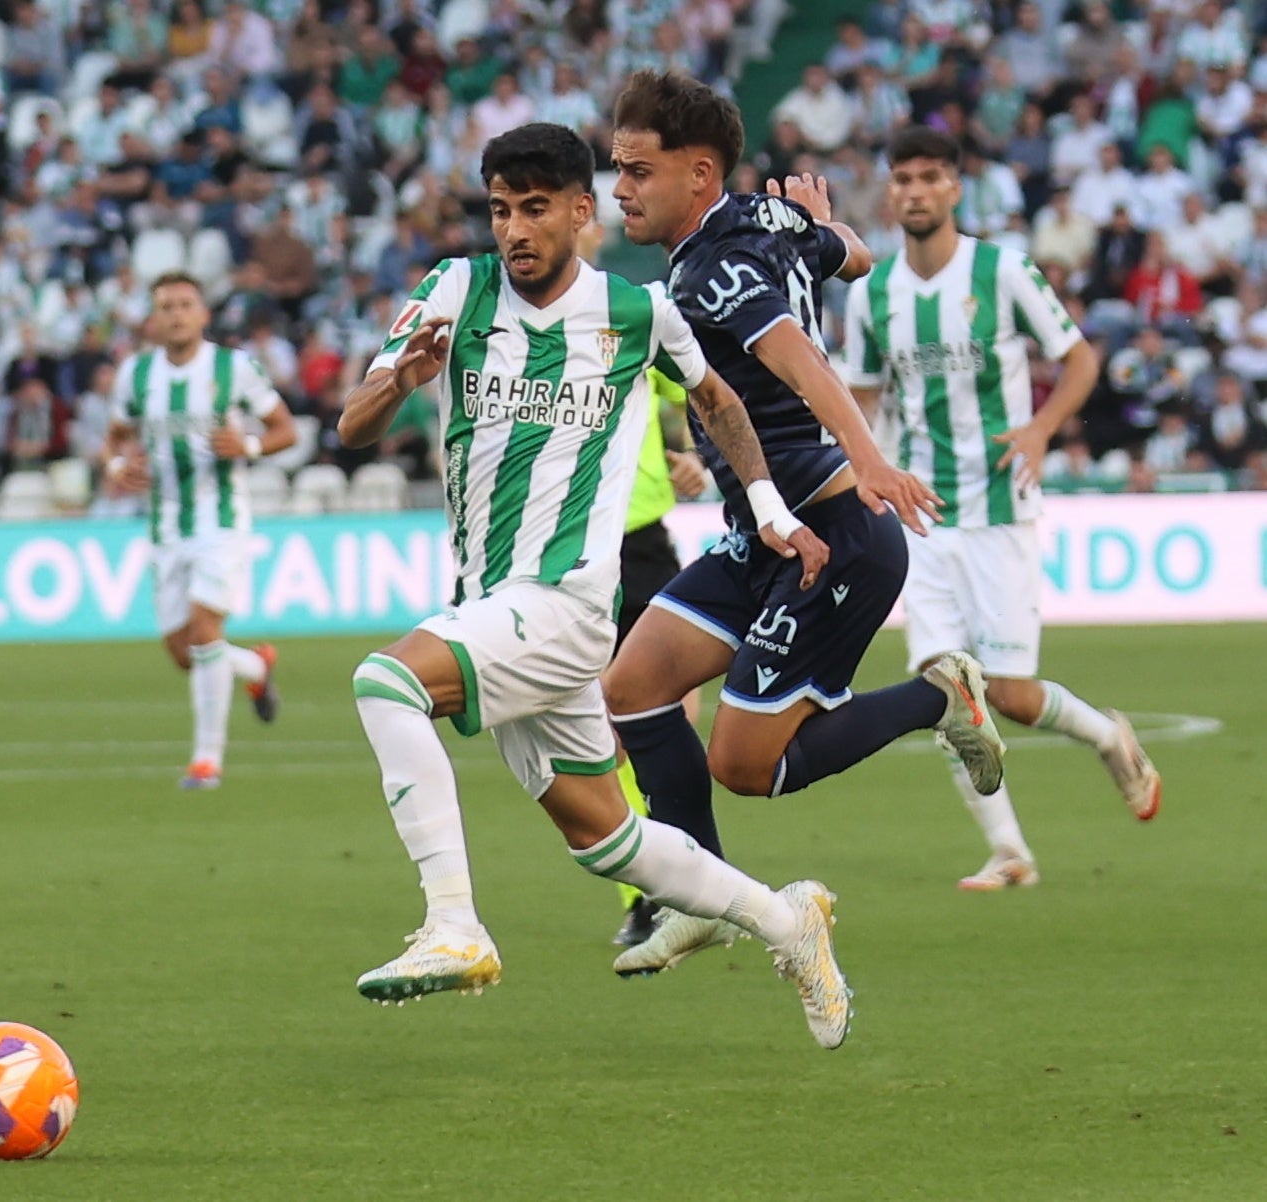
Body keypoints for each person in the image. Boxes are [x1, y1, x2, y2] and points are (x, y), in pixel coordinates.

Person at [338, 122, 852, 1049]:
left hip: (569, 601)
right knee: (606, 840)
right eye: (500, 210)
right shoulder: (453, 290)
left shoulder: (636, 311)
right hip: (489, 601)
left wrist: (769, 508)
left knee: (385, 682)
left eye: (535, 208)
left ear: (581, 211)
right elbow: (353, 423)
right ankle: (788, 923)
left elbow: (718, 401)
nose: (514, 230)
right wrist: (400, 382)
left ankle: (453, 924)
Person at [602, 71, 1006, 976]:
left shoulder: (712, 267)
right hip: (761, 530)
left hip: (834, 535)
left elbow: (793, 357)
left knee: (745, 767)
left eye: (635, 170)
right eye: (614, 168)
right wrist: (815, 231)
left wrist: (864, 455)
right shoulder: (760, 221)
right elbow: (854, 255)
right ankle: (694, 896)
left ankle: (940, 698)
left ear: (697, 173)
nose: (618, 187)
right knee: (629, 689)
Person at [841, 127, 1162, 889]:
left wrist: (1043, 429)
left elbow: (1079, 356)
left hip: (998, 509)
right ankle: (1009, 850)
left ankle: (1106, 736)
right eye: (902, 179)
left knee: (1010, 697)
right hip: (919, 521)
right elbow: (857, 398)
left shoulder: (1003, 270)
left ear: (954, 188)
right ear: (890, 194)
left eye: (929, 178)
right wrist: (864, 469)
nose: (914, 191)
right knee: (942, 690)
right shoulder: (869, 296)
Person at [101, 273, 297, 790]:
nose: (176, 314)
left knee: (205, 629)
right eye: (166, 306)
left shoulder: (233, 369)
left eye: (186, 304)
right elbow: (115, 440)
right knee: (184, 653)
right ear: (153, 317)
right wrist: (117, 466)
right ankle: (253, 667)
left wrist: (250, 447)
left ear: (203, 314)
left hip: (221, 522)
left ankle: (206, 761)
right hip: (166, 526)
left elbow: (286, 429)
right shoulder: (136, 376)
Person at [574, 218, 713, 947]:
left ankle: (686, 875)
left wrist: (693, 453)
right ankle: (647, 892)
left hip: (646, 544)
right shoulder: (520, 325)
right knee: (607, 733)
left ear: (588, 228)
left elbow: (688, 387)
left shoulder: (631, 311)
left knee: (672, 719)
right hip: (575, 554)